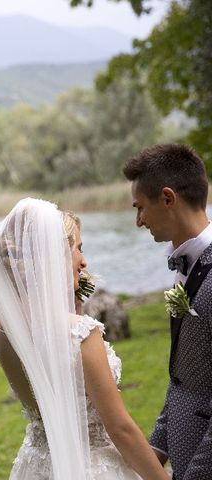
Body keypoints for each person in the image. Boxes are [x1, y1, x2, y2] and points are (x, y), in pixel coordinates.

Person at [0, 198, 169, 479]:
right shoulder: (81, 334)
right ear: (52, 255)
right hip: (91, 466)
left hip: (37, 463)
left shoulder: (3, 328)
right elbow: (120, 430)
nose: (84, 261)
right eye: (78, 249)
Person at [124, 144, 212, 480]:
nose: (138, 221)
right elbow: (184, 377)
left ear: (167, 198)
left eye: (140, 208)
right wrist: (156, 450)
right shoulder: (185, 266)